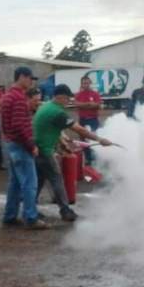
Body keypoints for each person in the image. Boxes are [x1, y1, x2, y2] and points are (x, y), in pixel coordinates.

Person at [33, 84, 112, 222]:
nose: (69, 100)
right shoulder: (57, 112)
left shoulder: (46, 107)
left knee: (39, 181)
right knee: (56, 180)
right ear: (60, 97)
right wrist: (100, 139)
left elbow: (50, 128)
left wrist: (62, 143)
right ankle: (65, 210)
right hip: (45, 150)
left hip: (38, 149)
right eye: (67, 97)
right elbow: (80, 130)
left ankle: (30, 210)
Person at [0, 66, 46, 229]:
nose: (30, 82)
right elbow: (19, 125)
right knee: (29, 183)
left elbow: (8, 125)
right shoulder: (19, 98)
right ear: (21, 77)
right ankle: (31, 218)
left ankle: (10, 216)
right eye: (29, 78)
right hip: (20, 145)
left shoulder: (7, 96)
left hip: (11, 143)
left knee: (15, 184)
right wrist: (31, 145)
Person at [74, 74, 102, 164]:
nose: (85, 85)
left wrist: (84, 105)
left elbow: (98, 105)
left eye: (87, 83)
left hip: (93, 120)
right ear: (81, 84)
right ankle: (88, 159)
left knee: (94, 138)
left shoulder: (95, 94)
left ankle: (95, 158)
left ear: (90, 83)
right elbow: (77, 104)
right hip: (82, 120)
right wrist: (89, 104)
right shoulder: (78, 94)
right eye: (84, 83)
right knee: (83, 140)